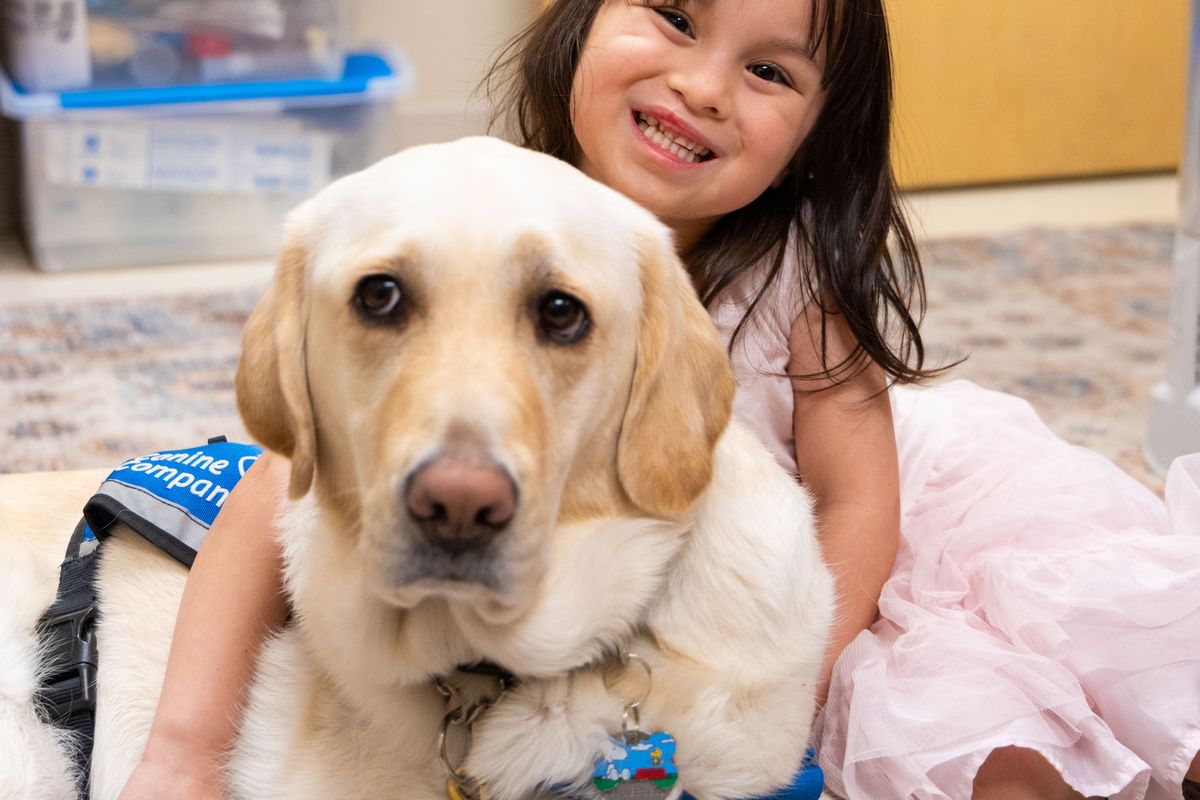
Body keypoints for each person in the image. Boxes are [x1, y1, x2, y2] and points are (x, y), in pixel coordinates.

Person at [119, 1, 1200, 799]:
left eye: (770, 72)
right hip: (671, 579)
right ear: (578, 26)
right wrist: (182, 746)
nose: (704, 86)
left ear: (816, 137)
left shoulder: (791, 280)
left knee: (1009, 748)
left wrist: (798, 677)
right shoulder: (470, 212)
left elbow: (860, 501)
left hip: (859, 567)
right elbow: (275, 496)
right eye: (676, 17)